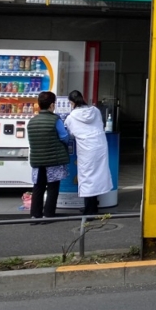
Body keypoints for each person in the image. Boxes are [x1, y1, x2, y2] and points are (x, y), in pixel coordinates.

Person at [64, 91, 113, 214]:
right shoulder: (95, 111)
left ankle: (89, 209)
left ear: (72, 102)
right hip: (100, 145)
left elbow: (69, 133)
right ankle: (93, 206)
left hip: (86, 148)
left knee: (86, 176)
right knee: (98, 175)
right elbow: (100, 125)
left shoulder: (71, 117)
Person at [27, 91, 70, 220]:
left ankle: (35, 215)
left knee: (38, 187)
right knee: (52, 187)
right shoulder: (55, 120)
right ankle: (48, 214)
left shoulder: (32, 121)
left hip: (37, 160)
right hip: (53, 160)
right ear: (52, 105)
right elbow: (64, 137)